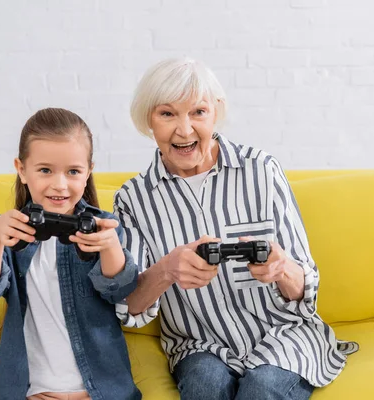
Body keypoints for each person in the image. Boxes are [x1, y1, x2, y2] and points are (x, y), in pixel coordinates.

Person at [114, 58, 359, 400]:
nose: (184, 130)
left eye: (197, 112)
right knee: (205, 387)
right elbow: (128, 308)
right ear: (147, 120)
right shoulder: (133, 199)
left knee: (262, 388)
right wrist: (167, 269)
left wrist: (281, 268)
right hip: (199, 345)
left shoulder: (262, 170)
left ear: (215, 112)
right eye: (167, 114)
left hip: (283, 335)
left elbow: (305, 287)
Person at [0, 108, 142, 400]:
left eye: (73, 171)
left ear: (88, 172)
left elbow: (120, 290)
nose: (59, 184)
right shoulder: (11, 231)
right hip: (31, 391)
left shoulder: (104, 227)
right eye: (45, 170)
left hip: (100, 390)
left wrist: (110, 248)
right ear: (21, 170)